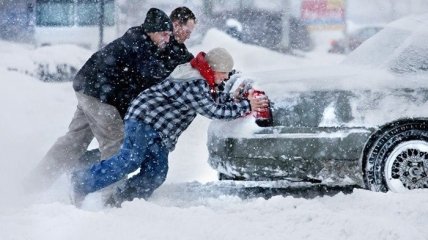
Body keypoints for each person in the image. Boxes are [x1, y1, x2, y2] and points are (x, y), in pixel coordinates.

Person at [71, 48, 269, 207]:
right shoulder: (194, 82)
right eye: (224, 73)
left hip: (160, 130)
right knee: (129, 160)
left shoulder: (204, 78)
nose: (225, 78)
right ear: (214, 69)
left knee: (156, 173)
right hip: (143, 119)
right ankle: (80, 182)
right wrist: (248, 106)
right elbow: (213, 110)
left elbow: (215, 99)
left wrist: (238, 100)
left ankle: (123, 202)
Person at [28, 7, 197, 190]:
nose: (187, 36)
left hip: (90, 88)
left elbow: (181, 61)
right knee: (116, 143)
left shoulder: (158, 41)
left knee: (74, 141)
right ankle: (105, 195)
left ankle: (37, 183)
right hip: (100, 96)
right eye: (186, 31)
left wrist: (204, 68)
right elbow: (151, 74)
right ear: (174, 25)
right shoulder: (142, 43)